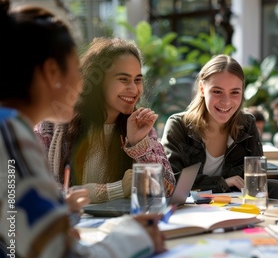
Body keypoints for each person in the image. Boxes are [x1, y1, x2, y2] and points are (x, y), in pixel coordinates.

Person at [0, 0, 165, 258]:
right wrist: (135, 237)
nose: (82, 82)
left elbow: (17, 245)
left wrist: (57, 225)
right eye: (76, 69)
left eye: (138, 79)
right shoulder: (10, 135)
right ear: (52, 71)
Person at [34, 37, 176, 203]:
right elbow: (39, 190)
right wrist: (117, 189)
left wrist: (138, 144)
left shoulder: (138, 126)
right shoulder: (52, 125)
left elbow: (168, 188)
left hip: (124, 224)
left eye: (137, 79)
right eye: (123, 79)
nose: (133, 89)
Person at [161, 55, 262, 192]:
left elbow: (256, 180)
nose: (226, 101)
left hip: (236, 209)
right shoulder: (178, 125)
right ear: (202, 89)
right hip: (190, 211)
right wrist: (222, 182)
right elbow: (170, 181)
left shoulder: (247, 124)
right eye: (217, 91)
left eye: (234, 92)